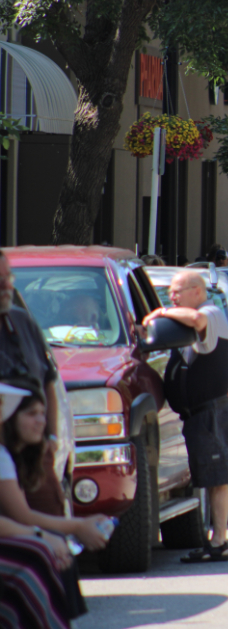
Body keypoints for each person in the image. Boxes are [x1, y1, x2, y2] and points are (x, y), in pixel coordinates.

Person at [143, 270, 228, 562]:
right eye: (170, 293)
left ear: (197, 291)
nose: (172, 297)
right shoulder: (187, 319)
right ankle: (216, 541)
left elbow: (198, 321)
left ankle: (219, 542)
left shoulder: (211, 312)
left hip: (211, 411)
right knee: (208, 478)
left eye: (177, 291)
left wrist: (162, 312)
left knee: (217, 478)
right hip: (197, 415)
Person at [0, 380, 81, 629]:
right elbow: (22, 516)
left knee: (47, 548)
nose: (41, 422)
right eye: (31, 413)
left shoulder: (8, 456)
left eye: (42, 414)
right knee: (38, 554)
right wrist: (75, 527)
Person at [0, 249, 64, 517]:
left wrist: (50, 436)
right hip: (3, 455)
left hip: (36, 457)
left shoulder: (23, 320)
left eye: (8, 277)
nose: (6, 285)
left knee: (53, 523)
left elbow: (48, 381)